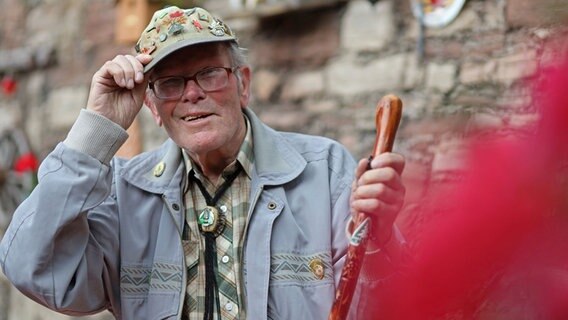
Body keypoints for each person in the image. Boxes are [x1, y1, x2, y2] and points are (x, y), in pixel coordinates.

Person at [0, 6, 406, 320]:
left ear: (242, 83)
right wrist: (95, 131)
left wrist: (380, 236)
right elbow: (32, 269)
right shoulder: (123, 194)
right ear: (153, 108)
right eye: (171, 83)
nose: (191, 94)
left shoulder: (325, 171)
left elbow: (386, 302)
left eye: (209, 73)